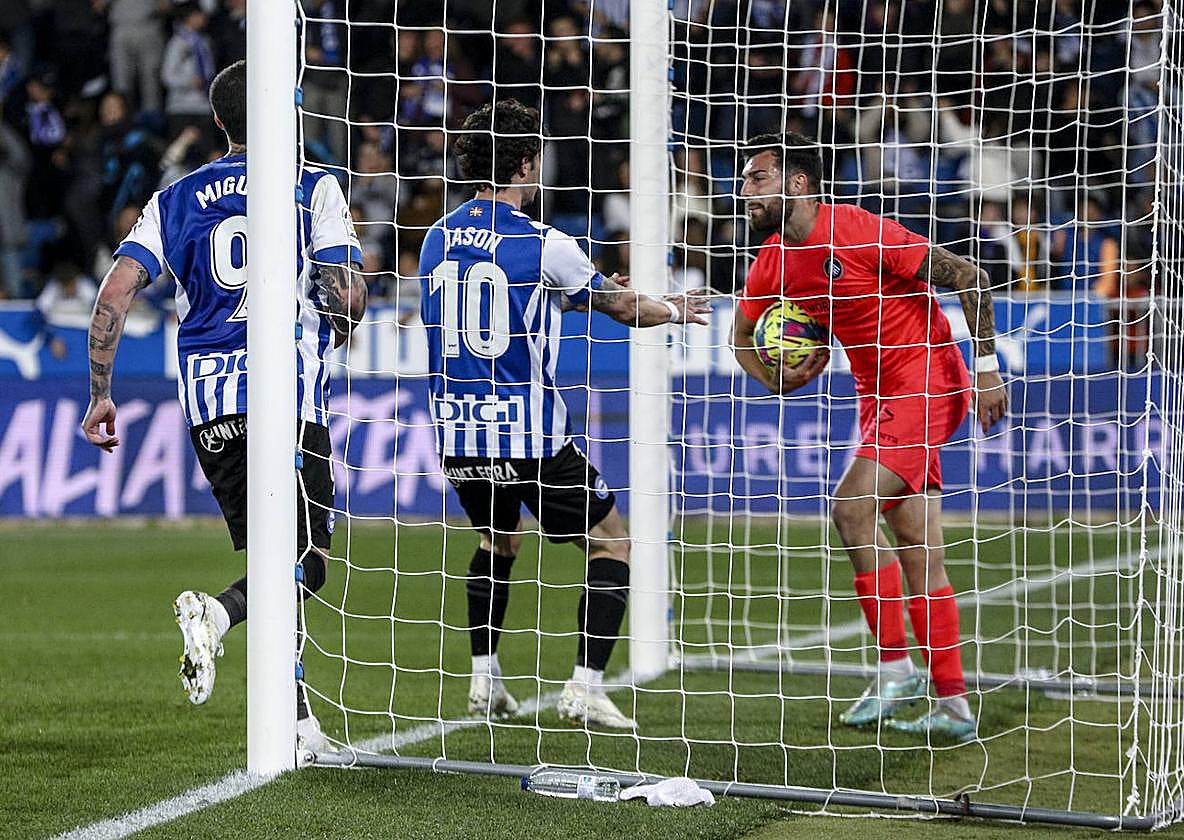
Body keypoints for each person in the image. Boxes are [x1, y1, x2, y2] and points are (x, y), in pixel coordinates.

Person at [80, 60, 366, 754]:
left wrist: (100, 395)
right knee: (308, 559)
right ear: (285, 113)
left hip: (212, 407)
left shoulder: (175, 197)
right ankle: (216, 612)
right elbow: (346, 291)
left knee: (277, 556)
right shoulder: (312, 184)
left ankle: (298, 724)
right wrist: (345, 316)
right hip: (289, 396)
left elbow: (114, 295)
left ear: (217, 122)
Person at [420, 99, 709, 729]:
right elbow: (621, 308)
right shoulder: (545, 243)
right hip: (529, 432)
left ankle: (484, 680)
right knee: (613, 542)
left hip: (456, 433)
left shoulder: (434, 237)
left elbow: (502, 297)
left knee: (499, 539)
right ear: (527, 163)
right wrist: (674, 308)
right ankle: (585, 686)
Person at [731, 132, 1008, 742]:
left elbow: (968, 274)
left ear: (796, 183)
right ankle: (955, 704)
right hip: (877, 398)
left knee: (851, 508)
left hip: (929, 380)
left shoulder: (859, 230)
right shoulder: (775, 258)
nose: (742, 190)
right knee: (917, 546)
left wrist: (987, 370)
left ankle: (894, 667)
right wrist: (776, 380)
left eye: (755, 179)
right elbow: (740, 337)